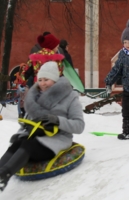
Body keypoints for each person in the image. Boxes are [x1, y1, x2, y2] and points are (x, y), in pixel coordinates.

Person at [0, 61, 85, 191]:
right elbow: (27, 121)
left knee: (28, 145)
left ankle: (4, 176)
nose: (42, 83)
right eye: (40, 79)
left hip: (56, 138)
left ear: (55, 80)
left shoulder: (70, 97)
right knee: (18, 143)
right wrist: (23, 130)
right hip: (35, 134)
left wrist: (57, 120)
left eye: (46, 79)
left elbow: (79, 125)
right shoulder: (34, 97)